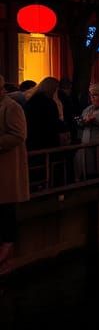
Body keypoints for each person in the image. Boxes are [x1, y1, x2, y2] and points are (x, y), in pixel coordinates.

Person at [0, 75, 29, 272]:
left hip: (6, 166)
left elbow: (19, 135)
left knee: (5, 209)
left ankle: (6, 253)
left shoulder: (11, 107)